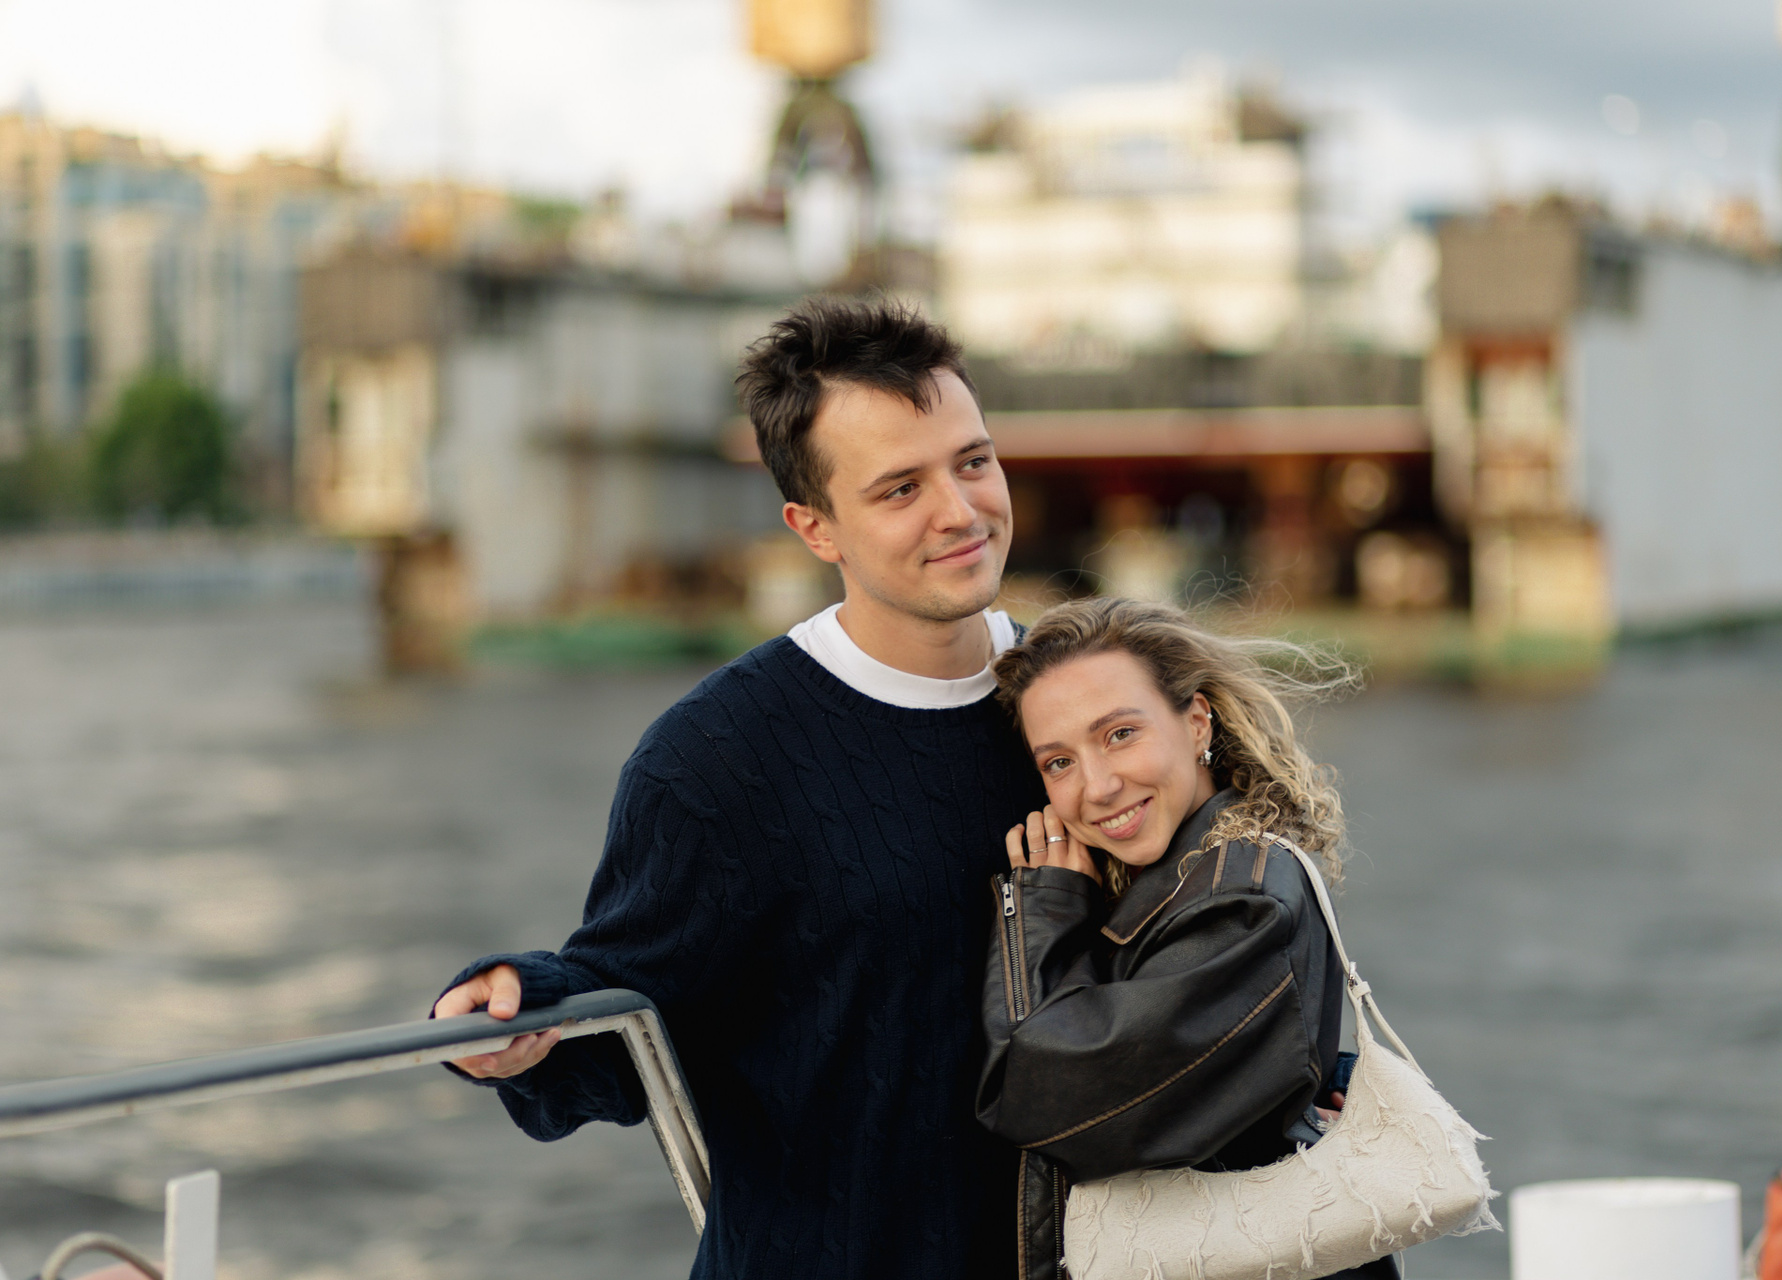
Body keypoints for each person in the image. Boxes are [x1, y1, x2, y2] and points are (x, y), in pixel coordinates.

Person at [431, 297, 1045, 1279]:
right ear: (814, 527)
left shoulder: (1087, 704)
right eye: (900, 488)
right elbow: (628, 1017)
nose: (960, 511)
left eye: (972, 461)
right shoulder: (716, 759)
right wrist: (521, 1013)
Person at [975, 596, 1398, 1280]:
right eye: (1058, 763)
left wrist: (1043, 909)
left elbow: (1043, 1100)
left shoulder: (1239, 899)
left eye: (1120, 734)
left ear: (1196, 721)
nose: (1097, 786)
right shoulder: (1180, 873)